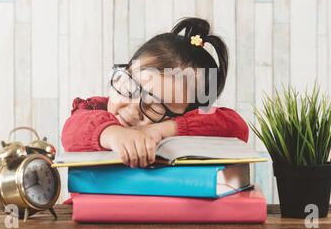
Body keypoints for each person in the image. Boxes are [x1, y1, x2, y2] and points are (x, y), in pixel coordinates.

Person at [61, 17, 249, 168]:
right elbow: (71, 131)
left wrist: (160, 130)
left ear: (187, 114)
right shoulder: (95, 109)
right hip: (89, 213)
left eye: (153, 107)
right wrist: (113, 134)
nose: (133, 110)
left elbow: (237, 129)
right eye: (129, 89)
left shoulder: (176, 127)